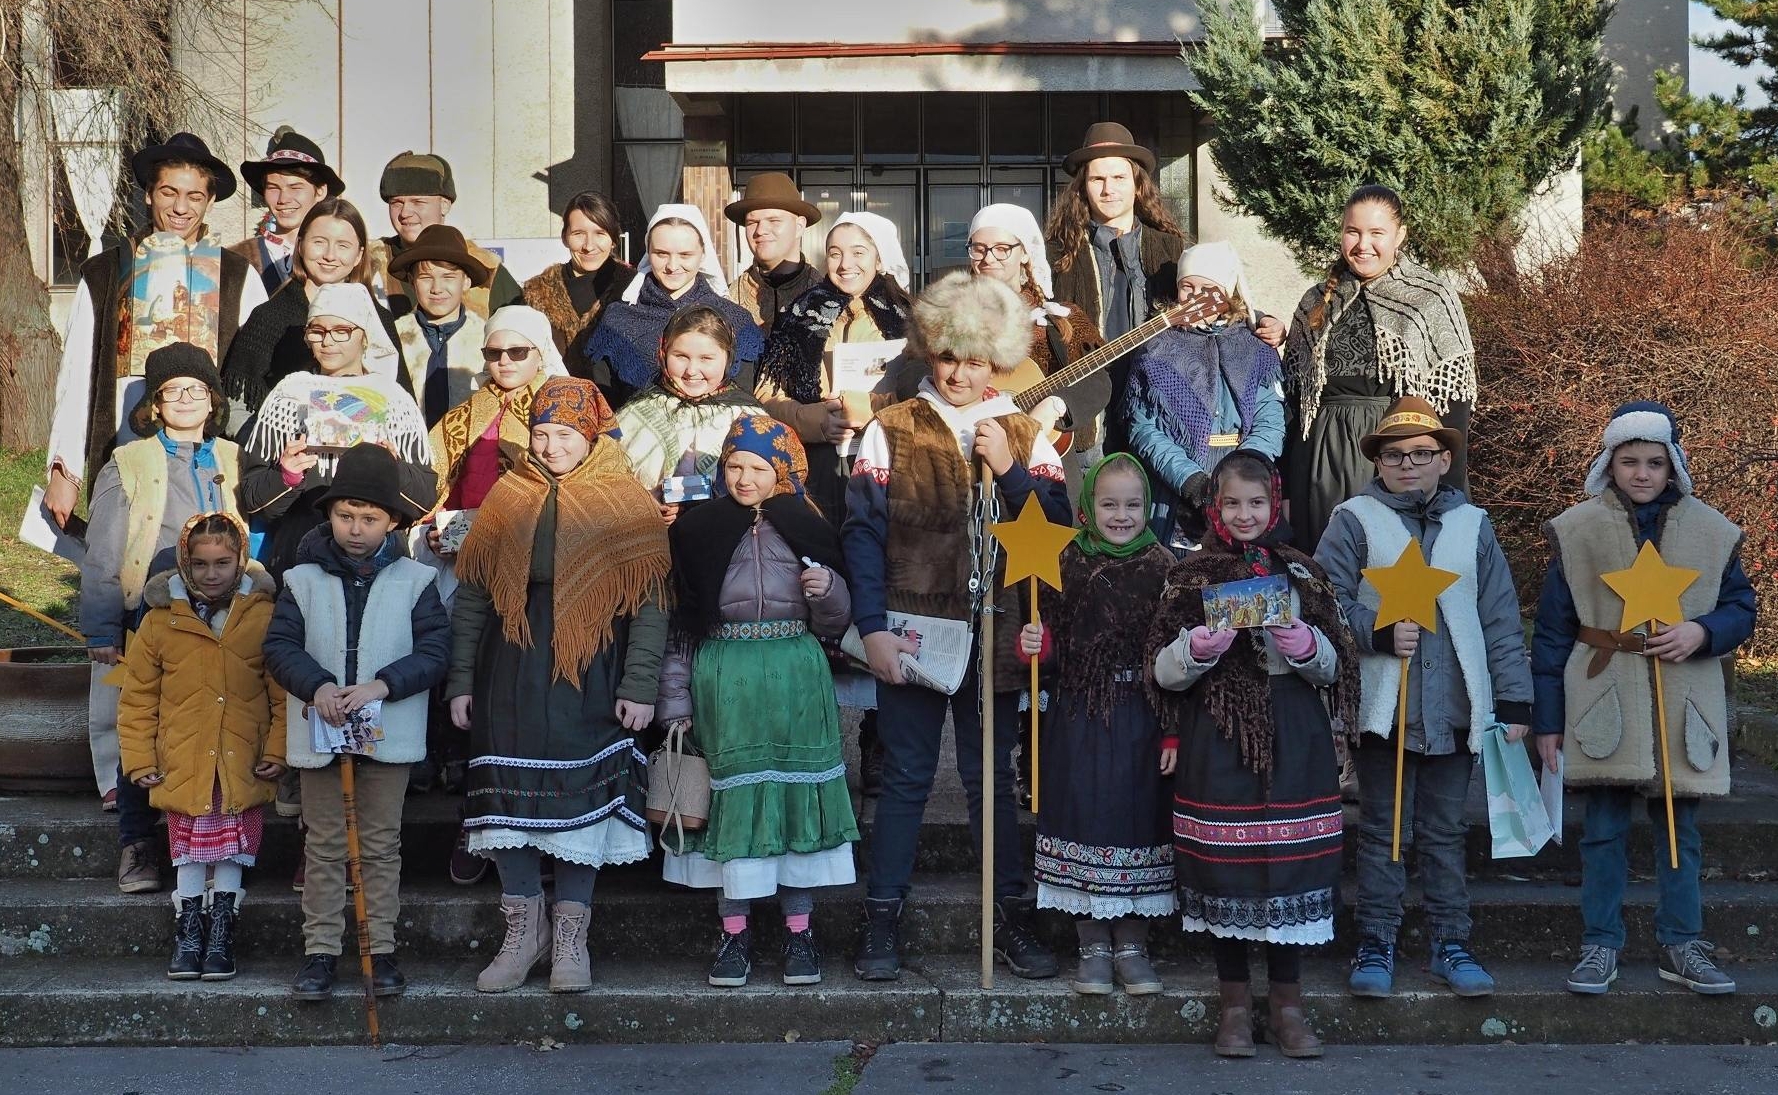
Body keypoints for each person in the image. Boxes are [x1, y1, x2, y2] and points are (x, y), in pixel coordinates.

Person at [844, 272, 1070, 982]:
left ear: (996, 359)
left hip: (997, 636)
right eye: (948, 355)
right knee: (907, 775)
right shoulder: (891, 428)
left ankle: (1011, 917)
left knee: (990, 780)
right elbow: (860, 533)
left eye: (975, 358)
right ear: (928, 352)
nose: (961, 371)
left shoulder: (1028, 432)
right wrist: (872, 627)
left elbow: (1059, 530)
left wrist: (1010, 471)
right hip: (913, 630)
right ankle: (882, 919)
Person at [447, 378, 670, 994]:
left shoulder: (624, 499)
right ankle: (523, 929)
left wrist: (640, 683)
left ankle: (572, 935)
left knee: (580, 796)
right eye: (541, 433)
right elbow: (473, 595)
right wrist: (461, 679)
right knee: (508, 794)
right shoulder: (507, 495)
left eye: (564, 434)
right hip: (510, 663)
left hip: (592, 662)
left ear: (591, 435)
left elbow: (651, 602)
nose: (549, 446)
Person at [1532, 403, 1756, 997]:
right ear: (1610, 463)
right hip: (1604, 695)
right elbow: (1553, 632)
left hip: (1683, 697)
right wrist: (1546, 722)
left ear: (1672, 465)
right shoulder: (1579, 531)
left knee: (1680, 830)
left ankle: (1683, 942)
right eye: (1629, 461)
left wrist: (1702, 631)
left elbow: (1741, 609)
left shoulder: (1710, 532)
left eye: (1654, 462)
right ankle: (1599, 943)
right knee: (1603, 829)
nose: (1642, 473)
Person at [1314, 397, 1532, 1000]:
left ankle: (1450, 940)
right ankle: (1377, 939)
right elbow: (1325, 601)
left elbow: (1499, 618)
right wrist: (1376, 630)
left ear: (1444, 459)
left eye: (1421, 454)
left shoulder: (1473, 526)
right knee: (1384, 827)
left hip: (1456, 708)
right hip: (1387, 709)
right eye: (1394, 455)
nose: (1408, 464)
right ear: (1378, 462)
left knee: (1442, 830)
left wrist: (1513, 701)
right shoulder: (1353, 520)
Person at [1148, 451, 1359, 1058]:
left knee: (1290, 864)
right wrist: (1196, 649)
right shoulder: (1190, 578)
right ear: (1215, 506)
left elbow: (1336, 663)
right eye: (1233, 503)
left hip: (1296, 735)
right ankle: (1235, 1006)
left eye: (1257, 503)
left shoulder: (1302, 573)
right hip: (1218, 736)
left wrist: (1305, 643)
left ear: (1275, 506)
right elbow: (1160, 671)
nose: (1245, 515)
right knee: (1226, 866)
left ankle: (1288, 1006)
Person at [659, 415, 859, 987]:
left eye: (758, 468)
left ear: (783, 471)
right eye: (734, 466)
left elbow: (837, 623)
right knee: (734, 810)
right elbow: (683, 625)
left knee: (794, 803)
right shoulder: (697, 531)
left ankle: (800, 934)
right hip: (724, 678)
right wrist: (675, 703)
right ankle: (734, 935)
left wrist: (830, 592)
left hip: (796, 675)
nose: (744, 478)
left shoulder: (810, 527)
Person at [263, 443, 452, 1001]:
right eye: (345, 515)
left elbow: (435, 651)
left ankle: (379, 948)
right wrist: (317, 685)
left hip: (386, 730)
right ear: (328, 515)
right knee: (323, 844)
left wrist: (382, 685)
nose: (355, 528)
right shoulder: (299, 580)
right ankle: (320, 952)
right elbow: (280, 647)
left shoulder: (416, 581)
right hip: (322, 731)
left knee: (379, 844)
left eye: (369, 518)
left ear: (392, 522)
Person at [44, 132, 267, 531]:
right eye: (168, 192)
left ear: (209, 200)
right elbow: (77, 373)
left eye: (195, 196)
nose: (181, 208)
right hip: (125, 446)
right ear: (149, 194)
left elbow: (253, 378)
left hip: (211, 456)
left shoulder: (237, 276)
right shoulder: (106, 272)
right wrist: (65, 468)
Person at [81, 343, 241, 890]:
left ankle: (219, 840)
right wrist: (104, 627)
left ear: (214, 399)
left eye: (197, 389)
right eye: (174, 390)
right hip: (150, 612)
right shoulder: (129, 462)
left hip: (224, 610)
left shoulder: (232, 458)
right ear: (155, 402)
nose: (187, 399)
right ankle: (138, 843)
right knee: (144, 728)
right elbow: (102, 552)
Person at [1014, 454, 1176, 996]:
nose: (1122, 515)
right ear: (1088, 507)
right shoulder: (1065, 564)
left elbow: (1175, 657)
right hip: (1079, 714)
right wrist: (1036, 646)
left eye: (1133, 505)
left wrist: (1173, 730)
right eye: (1109, 504)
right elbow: (1051, 648)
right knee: (1082, 815)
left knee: (1138, 821)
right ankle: (1092, 947)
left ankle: (1132, 945)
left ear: (1148, 507)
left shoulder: (1165, 569)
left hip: (1142, 717)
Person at [116, 512, 285, 981]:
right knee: (189, 850)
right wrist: (140, 759)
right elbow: (137, 701)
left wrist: (277, 748)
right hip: (184, 759)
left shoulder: (263, 618)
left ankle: (222, 931)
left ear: (241, 561)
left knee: (231, 849)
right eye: (202, 563)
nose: (212, 574)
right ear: (185, 563)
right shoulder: (159, 622)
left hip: (240, 758)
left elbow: (281, 695)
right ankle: (189, 928)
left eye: (223, 563)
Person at [1281, 185, 1476, 550]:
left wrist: (1448, 490)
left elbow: (1453, 404)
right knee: (1326, 574)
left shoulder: (1430, 298)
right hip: (1318, 467)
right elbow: (1294, 402)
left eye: (1376, 233)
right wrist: (1287, 489)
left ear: (1400, 235)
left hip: (1396, 458)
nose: (1362, 244)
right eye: (1353, 231)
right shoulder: (1314, 301)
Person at [237, 282, 436, 577]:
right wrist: (287, 476)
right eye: (317, 331)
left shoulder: (392, 399)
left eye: (341, 330)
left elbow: (423, 499)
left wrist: (393, 470)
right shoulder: (290, 394)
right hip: (302, 557)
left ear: (365, 336)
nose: (327, 341)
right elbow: (254, 498)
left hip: (376, 565)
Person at [756, 212, 914, 527]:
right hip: (818, 464)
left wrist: (870, 408)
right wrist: (814, 420)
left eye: (858, 252)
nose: (845, 264)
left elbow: (924, 392)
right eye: (835, 253)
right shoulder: (797, 315)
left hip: (889, 462)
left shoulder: (911, 320)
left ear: (880, 259)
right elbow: (766, 392)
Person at [1124, 242, 1285, 548]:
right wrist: (1192, 481)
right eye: (1188, 286)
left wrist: (1244, 470)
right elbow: (1143, 427)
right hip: (1179, 484)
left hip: (1245, 479)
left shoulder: (1254, 347)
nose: (1196, 296)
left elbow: (1270, 419)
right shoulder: (1156, 348)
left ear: (1227, 293)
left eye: (1207, 287)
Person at [1042, 122, 1187, 447]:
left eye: (1119, 178)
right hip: (1082, 414)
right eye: (1098, 179)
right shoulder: (1057, 255)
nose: (1109, 189)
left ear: (1137, 185)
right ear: (1082, 187)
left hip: (1156, 412)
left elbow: (1212, 303)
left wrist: (1261, 320)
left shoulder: (1172, 250)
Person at [221, 197, 407, 422]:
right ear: (300, 245)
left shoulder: (378, 320)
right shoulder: (268, 317)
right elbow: (237, 403)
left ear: (359, 254)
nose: (330, 255)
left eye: (343, 245)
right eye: (319, 242)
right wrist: (270, 445)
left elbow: (402, 402)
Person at [960, 203, 1109, 457]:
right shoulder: (950, 313)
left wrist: (1057, 405)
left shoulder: (1061, 318)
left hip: (1045, 456)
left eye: (1002, 249)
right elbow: (914, 372)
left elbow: (1098, 381)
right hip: (966, 451)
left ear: (1026, 253)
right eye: (979, 248)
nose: (988, 258)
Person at [580, 204, 763, 408]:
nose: (672, 266)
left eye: (685, 255)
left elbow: (744, 402)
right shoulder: (618, 320)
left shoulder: (735, 320)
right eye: (661, 254)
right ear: (648, 252)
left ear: (703, 254)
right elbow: (605, 405)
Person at [615, 304, 767, 517]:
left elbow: (773, 487)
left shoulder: (749, 419)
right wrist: (644, 500)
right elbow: (605, 479)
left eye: (706, 358)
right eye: (681, 356)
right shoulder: (633, 416)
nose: (691, 371)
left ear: (728, 357)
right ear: (663, 352)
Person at [366, 151, 521, 319]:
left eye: (418, 202)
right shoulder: (369, 262)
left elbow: (521, 330)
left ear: (445, 205)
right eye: (396, 203)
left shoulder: (485, 267)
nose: (405, 213)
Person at [388, 224, 493, 424]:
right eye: (426, 278)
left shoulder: (488, 339)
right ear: (412, 281)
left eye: (448, 277)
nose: (437, 288)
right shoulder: (393, 337)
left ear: (466, 281)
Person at [230, 127, 345, 295]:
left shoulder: (340, 258)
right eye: (273, 188)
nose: (283, 199)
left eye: (295, 187)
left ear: (320, 191)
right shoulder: (237, 258)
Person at [522, 191, 633, 363]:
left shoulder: (634, 289)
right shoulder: (536, 293)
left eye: (600, 233)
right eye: (578, 233)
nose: (588, 246)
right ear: (565, 237)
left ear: (614, 239)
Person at [725, 173, 823, 328]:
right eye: (752, 222)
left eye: (774, 220)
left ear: (799, 226)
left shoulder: (826, 297)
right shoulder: (727, 301)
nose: (760, 230)